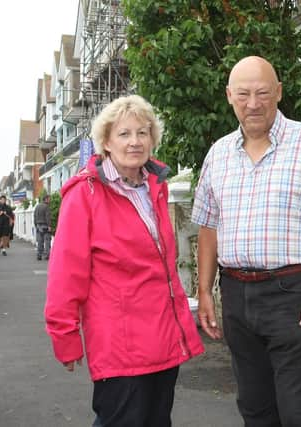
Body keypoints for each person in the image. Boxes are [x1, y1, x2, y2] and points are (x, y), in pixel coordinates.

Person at [192, 56, 301, 427]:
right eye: (243, 94)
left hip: (292, 295)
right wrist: (203, 292)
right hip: (235, 295)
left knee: (299, 414)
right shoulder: (218, 154)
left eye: (263, 93)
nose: (253, 103)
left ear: (278, 92)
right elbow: (208, 227)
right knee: (255, 408)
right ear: (229, 95)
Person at [44, 94, 204, 427]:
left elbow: (163, 271)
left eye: (142, 133)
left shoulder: (154, 188)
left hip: (163, 339)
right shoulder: (84, 195)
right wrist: (65, 334)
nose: (135, 142)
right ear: (105, 142)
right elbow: (65, 274)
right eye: (124, 134)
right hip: (120, 346)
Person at [34, 194, 52, 260]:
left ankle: (39, 255)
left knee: (40, 241)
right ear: (46, 199)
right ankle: (47, 255)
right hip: (45, 226)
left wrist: (36, 225)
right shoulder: (46, 207)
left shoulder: (37, 206)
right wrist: (49, 226)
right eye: (49, 199)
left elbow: (35, 216)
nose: (50, 200)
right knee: (47, 241)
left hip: (39, 226)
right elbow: (48, 217)